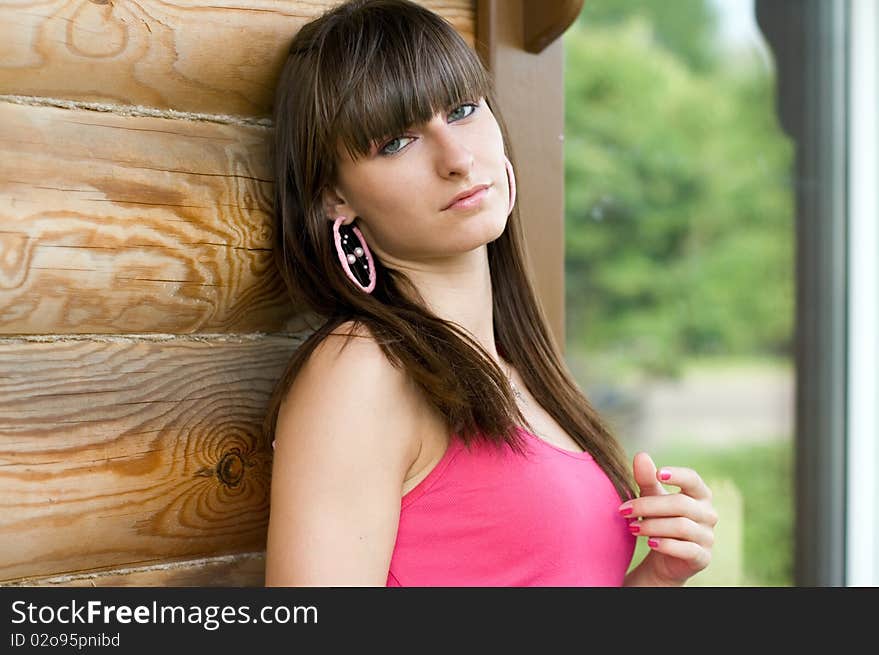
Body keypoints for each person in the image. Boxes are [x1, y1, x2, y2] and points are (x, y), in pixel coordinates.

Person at [263, 0, 717, 587]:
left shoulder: (524, 369)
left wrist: (657, 578)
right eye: (395, 143)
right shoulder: (364, 371)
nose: (456, 157)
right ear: (334, 198)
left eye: (463, 109)